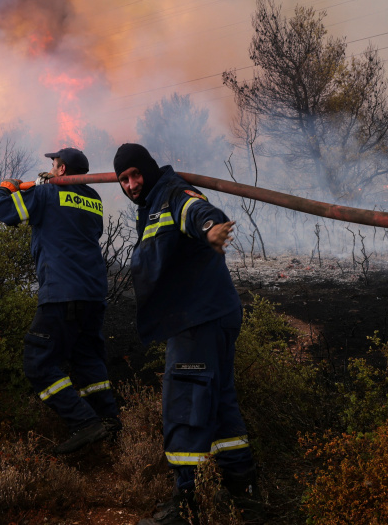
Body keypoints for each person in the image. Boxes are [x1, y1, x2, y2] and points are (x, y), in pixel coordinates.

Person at [113, 143, 265, 525]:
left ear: (148, 169)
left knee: (184, 405)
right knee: (220, 404)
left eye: (135, 174)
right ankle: (244, 492)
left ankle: (187, 504)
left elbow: (195, 210)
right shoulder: (153, 202)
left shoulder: (172, 195)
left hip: (198, 320)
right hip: (212, 315)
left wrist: (211, 228)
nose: (131, 184)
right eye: (123, 179)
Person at [0, 147, 120, 455]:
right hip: (93, 294)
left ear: (62, 170)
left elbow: (0, 209)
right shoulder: (94, 200)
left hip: (61, 292)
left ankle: (84, 422)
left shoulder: (46, 195)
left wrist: (6, 189)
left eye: (54, 164)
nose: (51, 167)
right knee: (87, 360)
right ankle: (110, 423)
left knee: (38, 362)